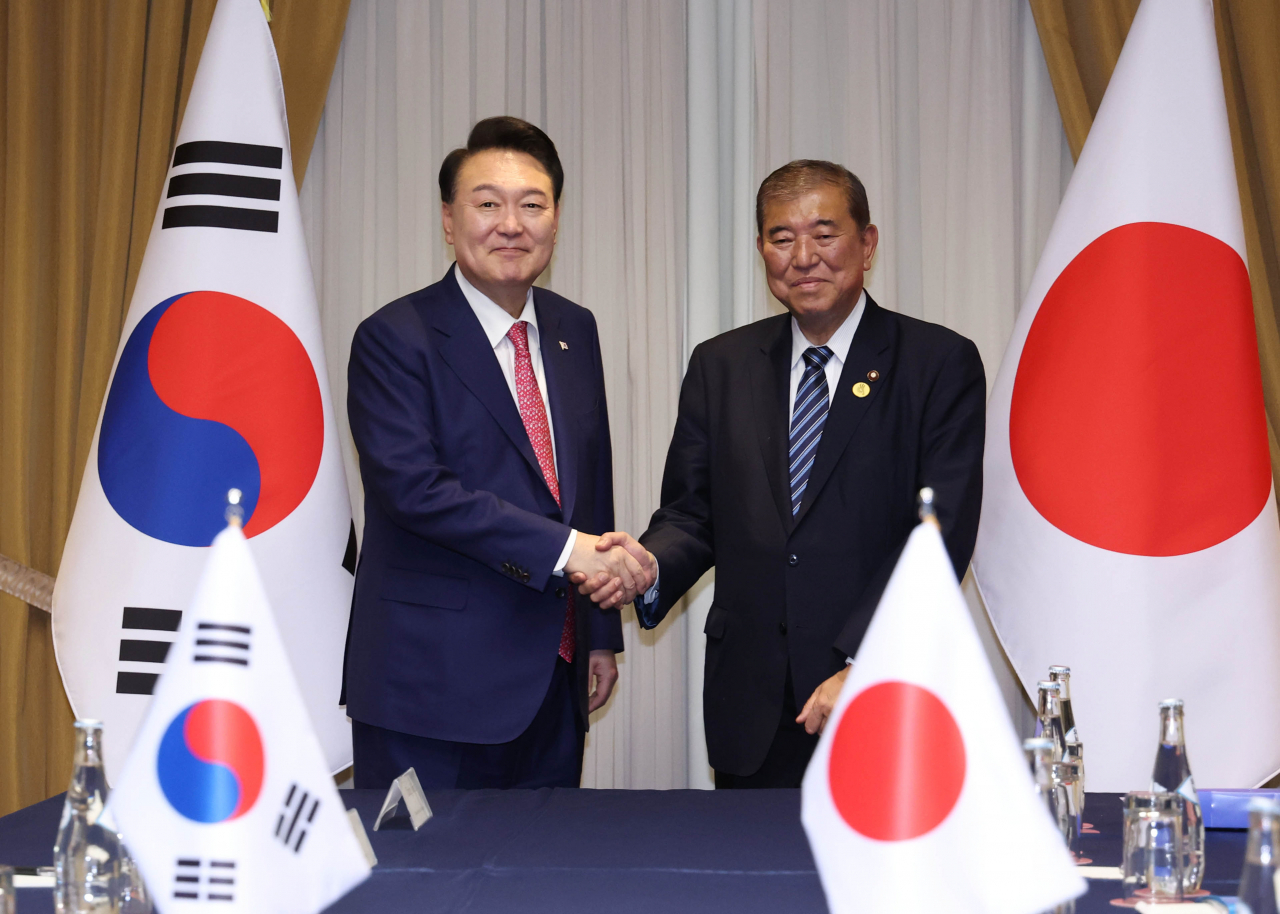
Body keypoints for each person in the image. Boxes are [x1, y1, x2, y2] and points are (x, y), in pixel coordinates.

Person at [579, 160, 986, 788]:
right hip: (753, 709)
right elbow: (692, 512)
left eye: (825, 234)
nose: (804, 257)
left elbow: (939, 534)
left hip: (878, 692)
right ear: (761, 249)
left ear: (867, 243)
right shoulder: (722, 364)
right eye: (781, 237)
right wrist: (651, 565)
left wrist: (865, 657)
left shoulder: (938, 363)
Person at [344, 116, 653, 790]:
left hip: (554, 676)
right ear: (450, 220)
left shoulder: (575, 328)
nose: (511, 223)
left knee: (542, 881)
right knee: (424, 890)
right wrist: (571, 552)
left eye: (532, 205)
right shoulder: (394, 337)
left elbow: (586, 489)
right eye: (487, 204)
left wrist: (599, 633)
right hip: (430, 689)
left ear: (557, 218)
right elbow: (414, 491)